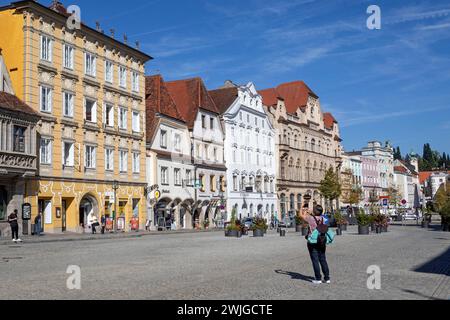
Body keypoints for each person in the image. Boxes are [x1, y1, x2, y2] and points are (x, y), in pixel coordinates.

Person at [298, 204, 330, 284]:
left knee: (315, 260)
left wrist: (302, 208)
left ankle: (318, 278)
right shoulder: (324, 218)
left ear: (314, 211)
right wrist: (310, 212)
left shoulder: (311, 219)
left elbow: (301, 215)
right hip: (322, 240)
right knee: (323, 259)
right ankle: (327, 278)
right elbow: (317, 217)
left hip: (313, 241)